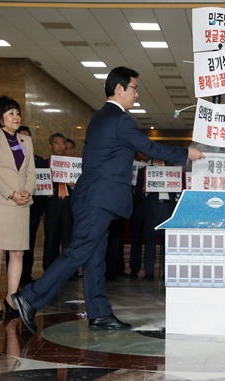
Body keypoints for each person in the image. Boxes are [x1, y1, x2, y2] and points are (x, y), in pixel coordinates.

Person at [12, 66, 205, 334]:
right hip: (97, 199)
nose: (137, 95)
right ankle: (30, 297)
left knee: (94, 258)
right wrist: (185, 153)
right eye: (135, 88)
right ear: (119, 89)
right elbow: (148, 147)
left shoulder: (101, 118)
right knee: (78, 251)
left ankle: (100, 313)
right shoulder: (119, 119)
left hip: (94, 197)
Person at [0, 96, 36, 319]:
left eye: (17, 112)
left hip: (22, 203)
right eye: (11, 113)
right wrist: (11, 193)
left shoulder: (27, 141)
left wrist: (26, 192)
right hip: (1, 201)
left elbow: (31, 172)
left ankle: (12, 297)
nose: (16, 117)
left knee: (17, 252)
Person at [18, 125, 47, 283]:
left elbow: (43, 185)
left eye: (26, 138)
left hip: (33, 209)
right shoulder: (9, 159)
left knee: (29, 242)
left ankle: (26, 274)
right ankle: (13, 274)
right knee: (14, 244)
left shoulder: (39, 160)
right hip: (14, 207)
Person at [42, 133, 73, 272]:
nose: (60, 146)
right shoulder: (44, 164)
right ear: (51, 145)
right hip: (52, 207)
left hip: (68, 206)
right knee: (51, 241)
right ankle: (49, 270)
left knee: (68, 241)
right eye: (56, 143)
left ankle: (68, 271)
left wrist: (73, 186)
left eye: (63, 143)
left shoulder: (73, 166)